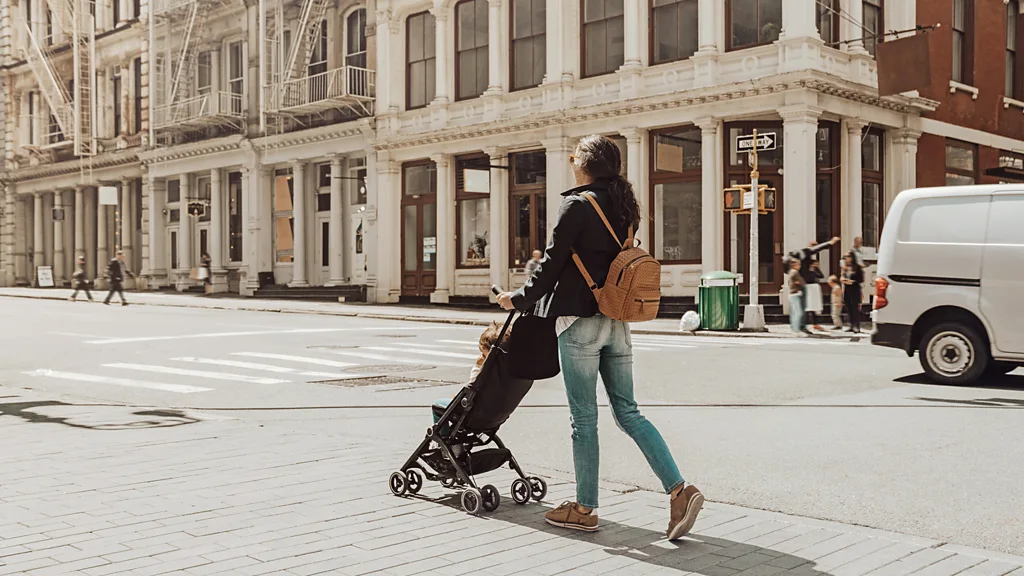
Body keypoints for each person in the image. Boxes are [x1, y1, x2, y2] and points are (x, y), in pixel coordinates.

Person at [496, 135, 702, 540]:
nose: (571, 163)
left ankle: (585, 508)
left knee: (583, 418)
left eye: (573, 157)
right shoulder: (625, 206)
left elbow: (551, 264)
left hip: (580, 323)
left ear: (584, 164)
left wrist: (516, 299)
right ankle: (680, 489)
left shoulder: (576, 204)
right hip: (617, 319)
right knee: (628, 411)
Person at [431, 321, 508, 431]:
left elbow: (474, 385)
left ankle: (441, 437)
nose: (481, 357)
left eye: (483, 354)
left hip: (475, 414)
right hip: (497, 416)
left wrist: (477, 366)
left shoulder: (488, 371)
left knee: (438, 404)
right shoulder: (507, 372)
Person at [842, 252, 864, 333]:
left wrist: (852, 282)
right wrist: (843, 279)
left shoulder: (857, 267)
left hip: (855, 289)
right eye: (845, 257)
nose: (846, 259)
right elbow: (842, 277)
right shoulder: (845, 267)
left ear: (852, 257)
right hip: (847, 290)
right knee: (849, 308)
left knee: (855, 308)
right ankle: (851, 325)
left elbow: (861, 279)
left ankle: (857, 326)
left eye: (847, 257)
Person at [787, 259, 807, 335]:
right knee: (798, 313)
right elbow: (802, 282)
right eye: (798, 264)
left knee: (794, 313)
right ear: (794, 265)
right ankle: (796, 330)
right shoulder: (795, 272)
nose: (800, 266)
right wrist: (799, 282)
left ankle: (794, 329)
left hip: (792, 294)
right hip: (795, 293)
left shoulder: (790, 272)